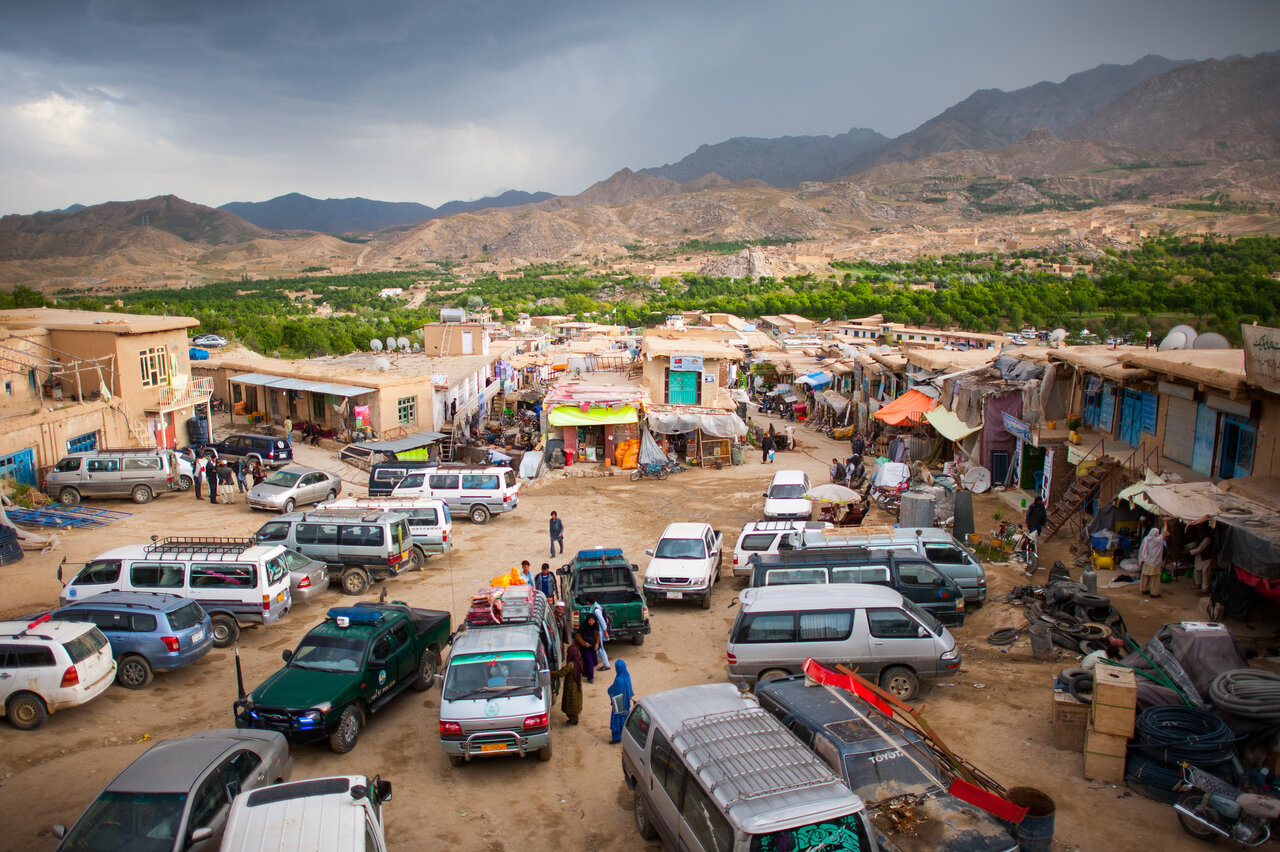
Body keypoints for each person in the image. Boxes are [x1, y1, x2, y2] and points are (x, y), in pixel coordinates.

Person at [552, 645, 584, 725]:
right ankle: (574, 718)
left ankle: (573, 719)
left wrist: (550, 673)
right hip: (577, 685)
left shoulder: (570, 665)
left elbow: (561, 673)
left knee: (571, 703)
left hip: (571, 687)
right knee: (575, 703)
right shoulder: (579, 661)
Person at [607, 660, 634, 744]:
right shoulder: (627, 676)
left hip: (619, 704)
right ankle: (624, 734)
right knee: (624, 718)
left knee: (617, 719)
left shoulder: (619, 680)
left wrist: (609, 690)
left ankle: (617, 737)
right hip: (626, 703)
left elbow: (613, 690)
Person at [1139, 523, 1166, 597]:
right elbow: (1164, 533)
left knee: (1145, 576)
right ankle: (1154, 593)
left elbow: (1142, 549)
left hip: (1147, 561)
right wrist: (1165, 522)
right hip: (1155, 562)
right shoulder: (1158, 540)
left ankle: (1144, 589)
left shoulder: (1146, 539)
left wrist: (1141, 559)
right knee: (1155, 579)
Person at [574, 614, 600, 683]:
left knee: (592, 661)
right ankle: (590, 677)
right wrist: (584, 643)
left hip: (592, 646)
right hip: (584, 647)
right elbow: (577, 636)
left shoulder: (595, 626)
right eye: (589, 620)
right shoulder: (583, 626)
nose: (591, 622)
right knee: (589, 661)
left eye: (592, 620)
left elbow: (597, 635)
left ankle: (585, 672)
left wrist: (597, 643)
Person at [1188, 529, 1214, 595]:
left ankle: (1204, 589)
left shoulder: (1208, 538)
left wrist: (1189, 552)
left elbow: (1200, 548)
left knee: (1205, 572)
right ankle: (1198, 584)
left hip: (1207, 558)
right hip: (1199, 557)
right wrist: (1186, 548)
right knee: (1196, 570)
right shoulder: (1200, 537)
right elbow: (1194, 544)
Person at [592, 600, 610, 670]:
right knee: (599, 647)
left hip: (600, 631)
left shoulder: (596, 611)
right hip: (600, 630)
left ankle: (606, 665)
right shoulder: (598, 607)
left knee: (600, 647)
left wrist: (605, 632)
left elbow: (602, 621)